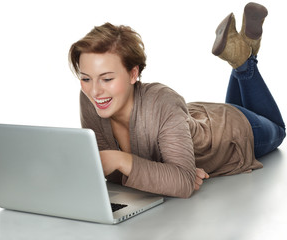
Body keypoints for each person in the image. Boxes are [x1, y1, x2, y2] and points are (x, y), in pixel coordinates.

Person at [68, 2, 285, 198]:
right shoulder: (91, 101)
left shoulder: (162, 102)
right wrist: (167, 175)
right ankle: (243, 52)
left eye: (106, 78)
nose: (95, 91)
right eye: (86, 78)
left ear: (133, 74)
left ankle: (244, 63)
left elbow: (179, 182)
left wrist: (124, 160)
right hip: (195, 117)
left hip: (232, 133)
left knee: (279, 129)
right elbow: (110, 174)